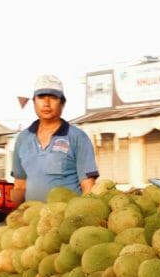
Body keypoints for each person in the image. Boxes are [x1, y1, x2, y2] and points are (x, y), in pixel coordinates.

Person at [11, 74, 99, 204]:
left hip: (66, 220)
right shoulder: (23, 138)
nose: (46, 103)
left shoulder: (78, 137)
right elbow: (19, 186)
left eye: (53, 97)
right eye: (41, 97)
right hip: (33, 220)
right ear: (34, 101)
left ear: (62, 103)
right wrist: (16, 216)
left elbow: (88, 187)